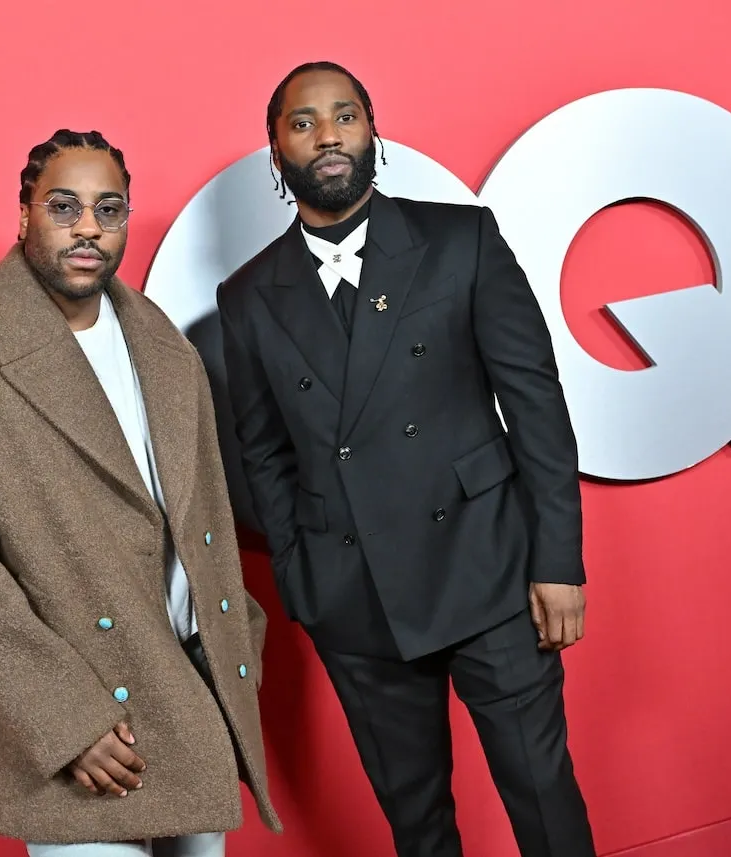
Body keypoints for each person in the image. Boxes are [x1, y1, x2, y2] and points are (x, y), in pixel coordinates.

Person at [215, 62, 596, 857]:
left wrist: (557, 559)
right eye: (304, 121)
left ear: (372, 133)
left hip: (489, 570)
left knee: (544, 796)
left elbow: (536, 406)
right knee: (418, 826)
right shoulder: (248, 296)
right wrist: (302, 573)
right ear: (276, 148)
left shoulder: (462, 240)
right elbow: (261, 449)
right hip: (355, 597)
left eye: (344, 115)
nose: (327, 135)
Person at [0, 129, 280, 857]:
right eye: (64, 206)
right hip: (86, 724)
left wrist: (231, 647)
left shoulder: (162, 344)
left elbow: (204, 519)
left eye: (109, 208)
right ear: (24, 214)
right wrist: (66, 721)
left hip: (191, 693)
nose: (89, 225)